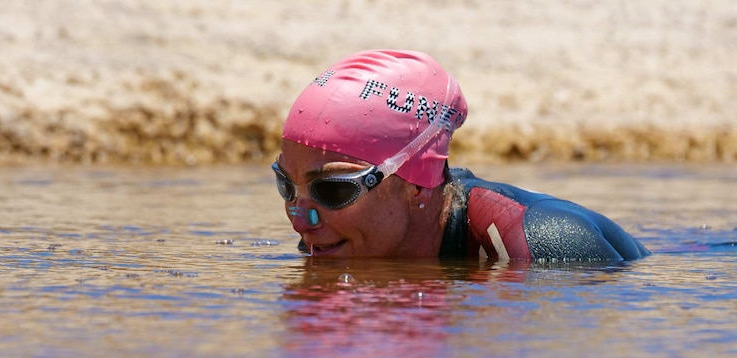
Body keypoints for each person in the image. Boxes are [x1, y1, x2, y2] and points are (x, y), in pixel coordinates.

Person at [273, 50, 649, 261]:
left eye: (334, 190)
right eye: (286, 185)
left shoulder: (545, 244)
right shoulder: (332, 236)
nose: (301, 221)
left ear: (416, 187)